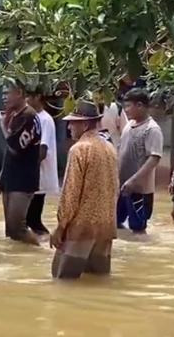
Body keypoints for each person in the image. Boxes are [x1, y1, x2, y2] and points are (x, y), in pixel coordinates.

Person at [50, 101, 118, 279]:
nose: (69, 127)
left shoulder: (79, 150)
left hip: (82, 228)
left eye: (72, 122)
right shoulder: (110, 148)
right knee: (99, 282)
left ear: (85, 124)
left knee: (63, 281)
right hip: (106, 226)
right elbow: (114, 189)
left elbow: (70, 193)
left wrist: (60, 227)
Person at [0, 80, 41, 246]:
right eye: (2, 93)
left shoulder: (29, 116)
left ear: (20, 93)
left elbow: (16, 147)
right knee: (11, 230)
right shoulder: (15, 115)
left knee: (18, 227)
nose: (4, 97)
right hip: (10, 178)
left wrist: (3, 126)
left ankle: (40, 251)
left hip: (23, 180)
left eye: (7, 93)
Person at [117, 88, 164, 234]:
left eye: (128, 106)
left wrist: (134, 180)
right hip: (122, 187)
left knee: (138, 230)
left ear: (139, 105)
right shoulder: (128, 125)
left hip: (140, 190)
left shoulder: (152, 129)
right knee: (115, 224)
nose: (126, 110)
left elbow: (154, 159)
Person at [25, 88, 59, 236]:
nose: (25, 100)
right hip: (35, 176)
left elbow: (42, 150)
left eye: (28, 96)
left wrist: (27, 170)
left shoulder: (44, 119)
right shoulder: (33, 118)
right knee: (28, 219)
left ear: (37, 97)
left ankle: (45, 245)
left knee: (32, 220)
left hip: (40, 176)